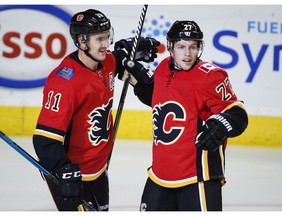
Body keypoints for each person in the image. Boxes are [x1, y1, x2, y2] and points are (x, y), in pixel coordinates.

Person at [32, 9, 159, 211]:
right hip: (73, 175)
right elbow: (45, 139)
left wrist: (136, 47)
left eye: (107, 37)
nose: (105, 44)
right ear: (82, 42)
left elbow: (118, 57)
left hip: (99, 168)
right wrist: (63, 170)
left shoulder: (105, 61)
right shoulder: (64, 82)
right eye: (99, 39)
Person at [123, 20, 248, 211]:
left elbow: (238, 114)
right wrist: (139, 77)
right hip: (160, 174)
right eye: (181, 47)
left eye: (193, 47)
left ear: (199, 48)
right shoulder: (164, 67)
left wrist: (220, 125)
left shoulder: (210, 76)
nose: (187, 54)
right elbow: (160, 99)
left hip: (197, 177)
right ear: (171, 48)